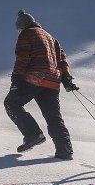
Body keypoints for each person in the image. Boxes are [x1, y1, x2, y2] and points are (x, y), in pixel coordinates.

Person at [5, 9, 77, 160]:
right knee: (54, 117)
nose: (18, 32)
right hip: (52, 82)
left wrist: (16, 81)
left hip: (35, 77)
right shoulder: (51, 37)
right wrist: (66, 79)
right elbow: (62, 59)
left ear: (23, 26)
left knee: (11, 103)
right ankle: (65, 151)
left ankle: (33, 134)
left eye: (18, 29)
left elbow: (23, 58)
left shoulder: (27, 34)